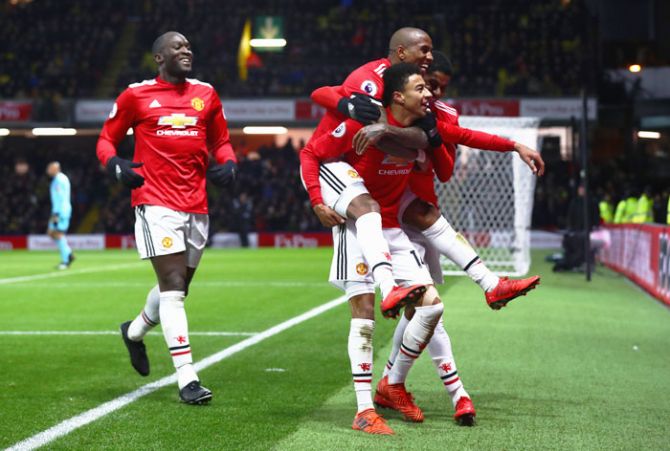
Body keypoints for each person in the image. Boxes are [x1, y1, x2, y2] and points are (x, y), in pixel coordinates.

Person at [96, 31, 237, 405]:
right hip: (154, 201)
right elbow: (106, 139)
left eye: (189, 45)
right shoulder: (135, 94)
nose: (186, 50)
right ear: (159, 58)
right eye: (178, 47)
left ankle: (135, 331)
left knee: (177, 287)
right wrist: (114, 165)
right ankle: (187, 377)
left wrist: (229, 163)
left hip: (197, 203)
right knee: (173, 288)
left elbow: (220, 140)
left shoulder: (206, 93)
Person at [46, 161, 74, 270]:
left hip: (61, 211)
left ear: (56, 168)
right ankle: (69, 253)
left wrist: (57, 214)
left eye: (50, 168)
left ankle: (66, 260)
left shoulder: (59, 180)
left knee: (57, 233)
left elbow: (60, 198)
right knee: (51, 232)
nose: (48, 170)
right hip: (58, 210)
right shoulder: (60, 179)